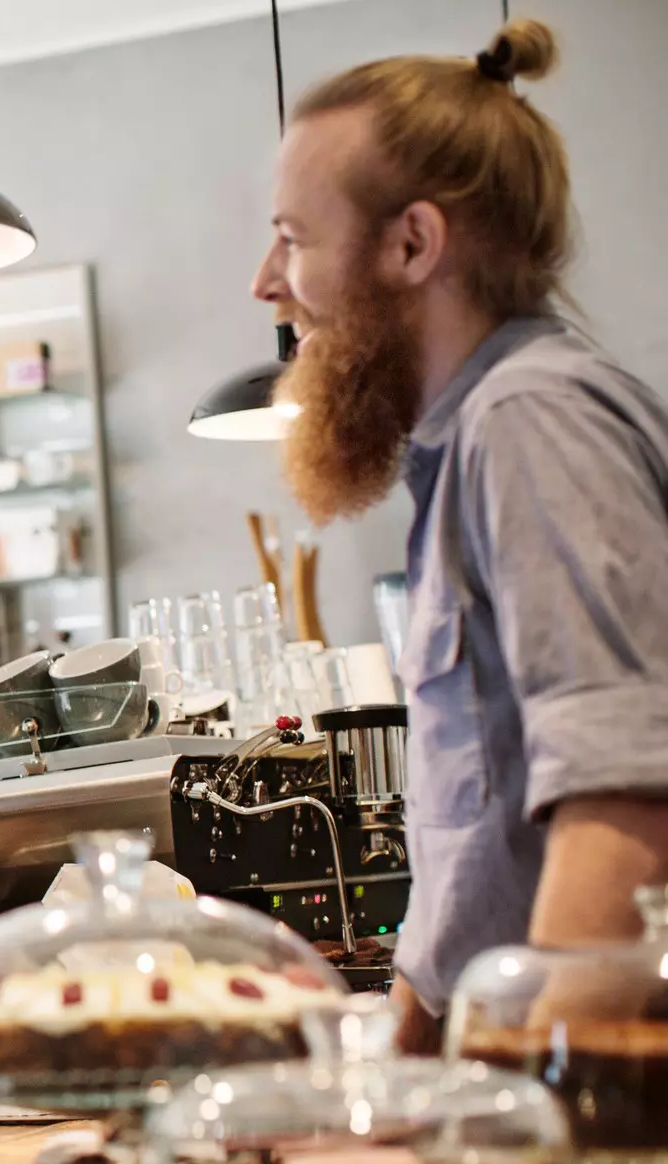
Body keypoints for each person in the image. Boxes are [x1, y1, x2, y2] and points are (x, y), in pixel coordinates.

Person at [250, 19, 668, 1049]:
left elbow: (624, 800)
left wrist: (529, 1124)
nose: (265, 282)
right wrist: (398, 1079)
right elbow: (473, 859)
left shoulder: (529, 421)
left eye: (294, 238)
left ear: (412, 245)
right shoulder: (467, 443)